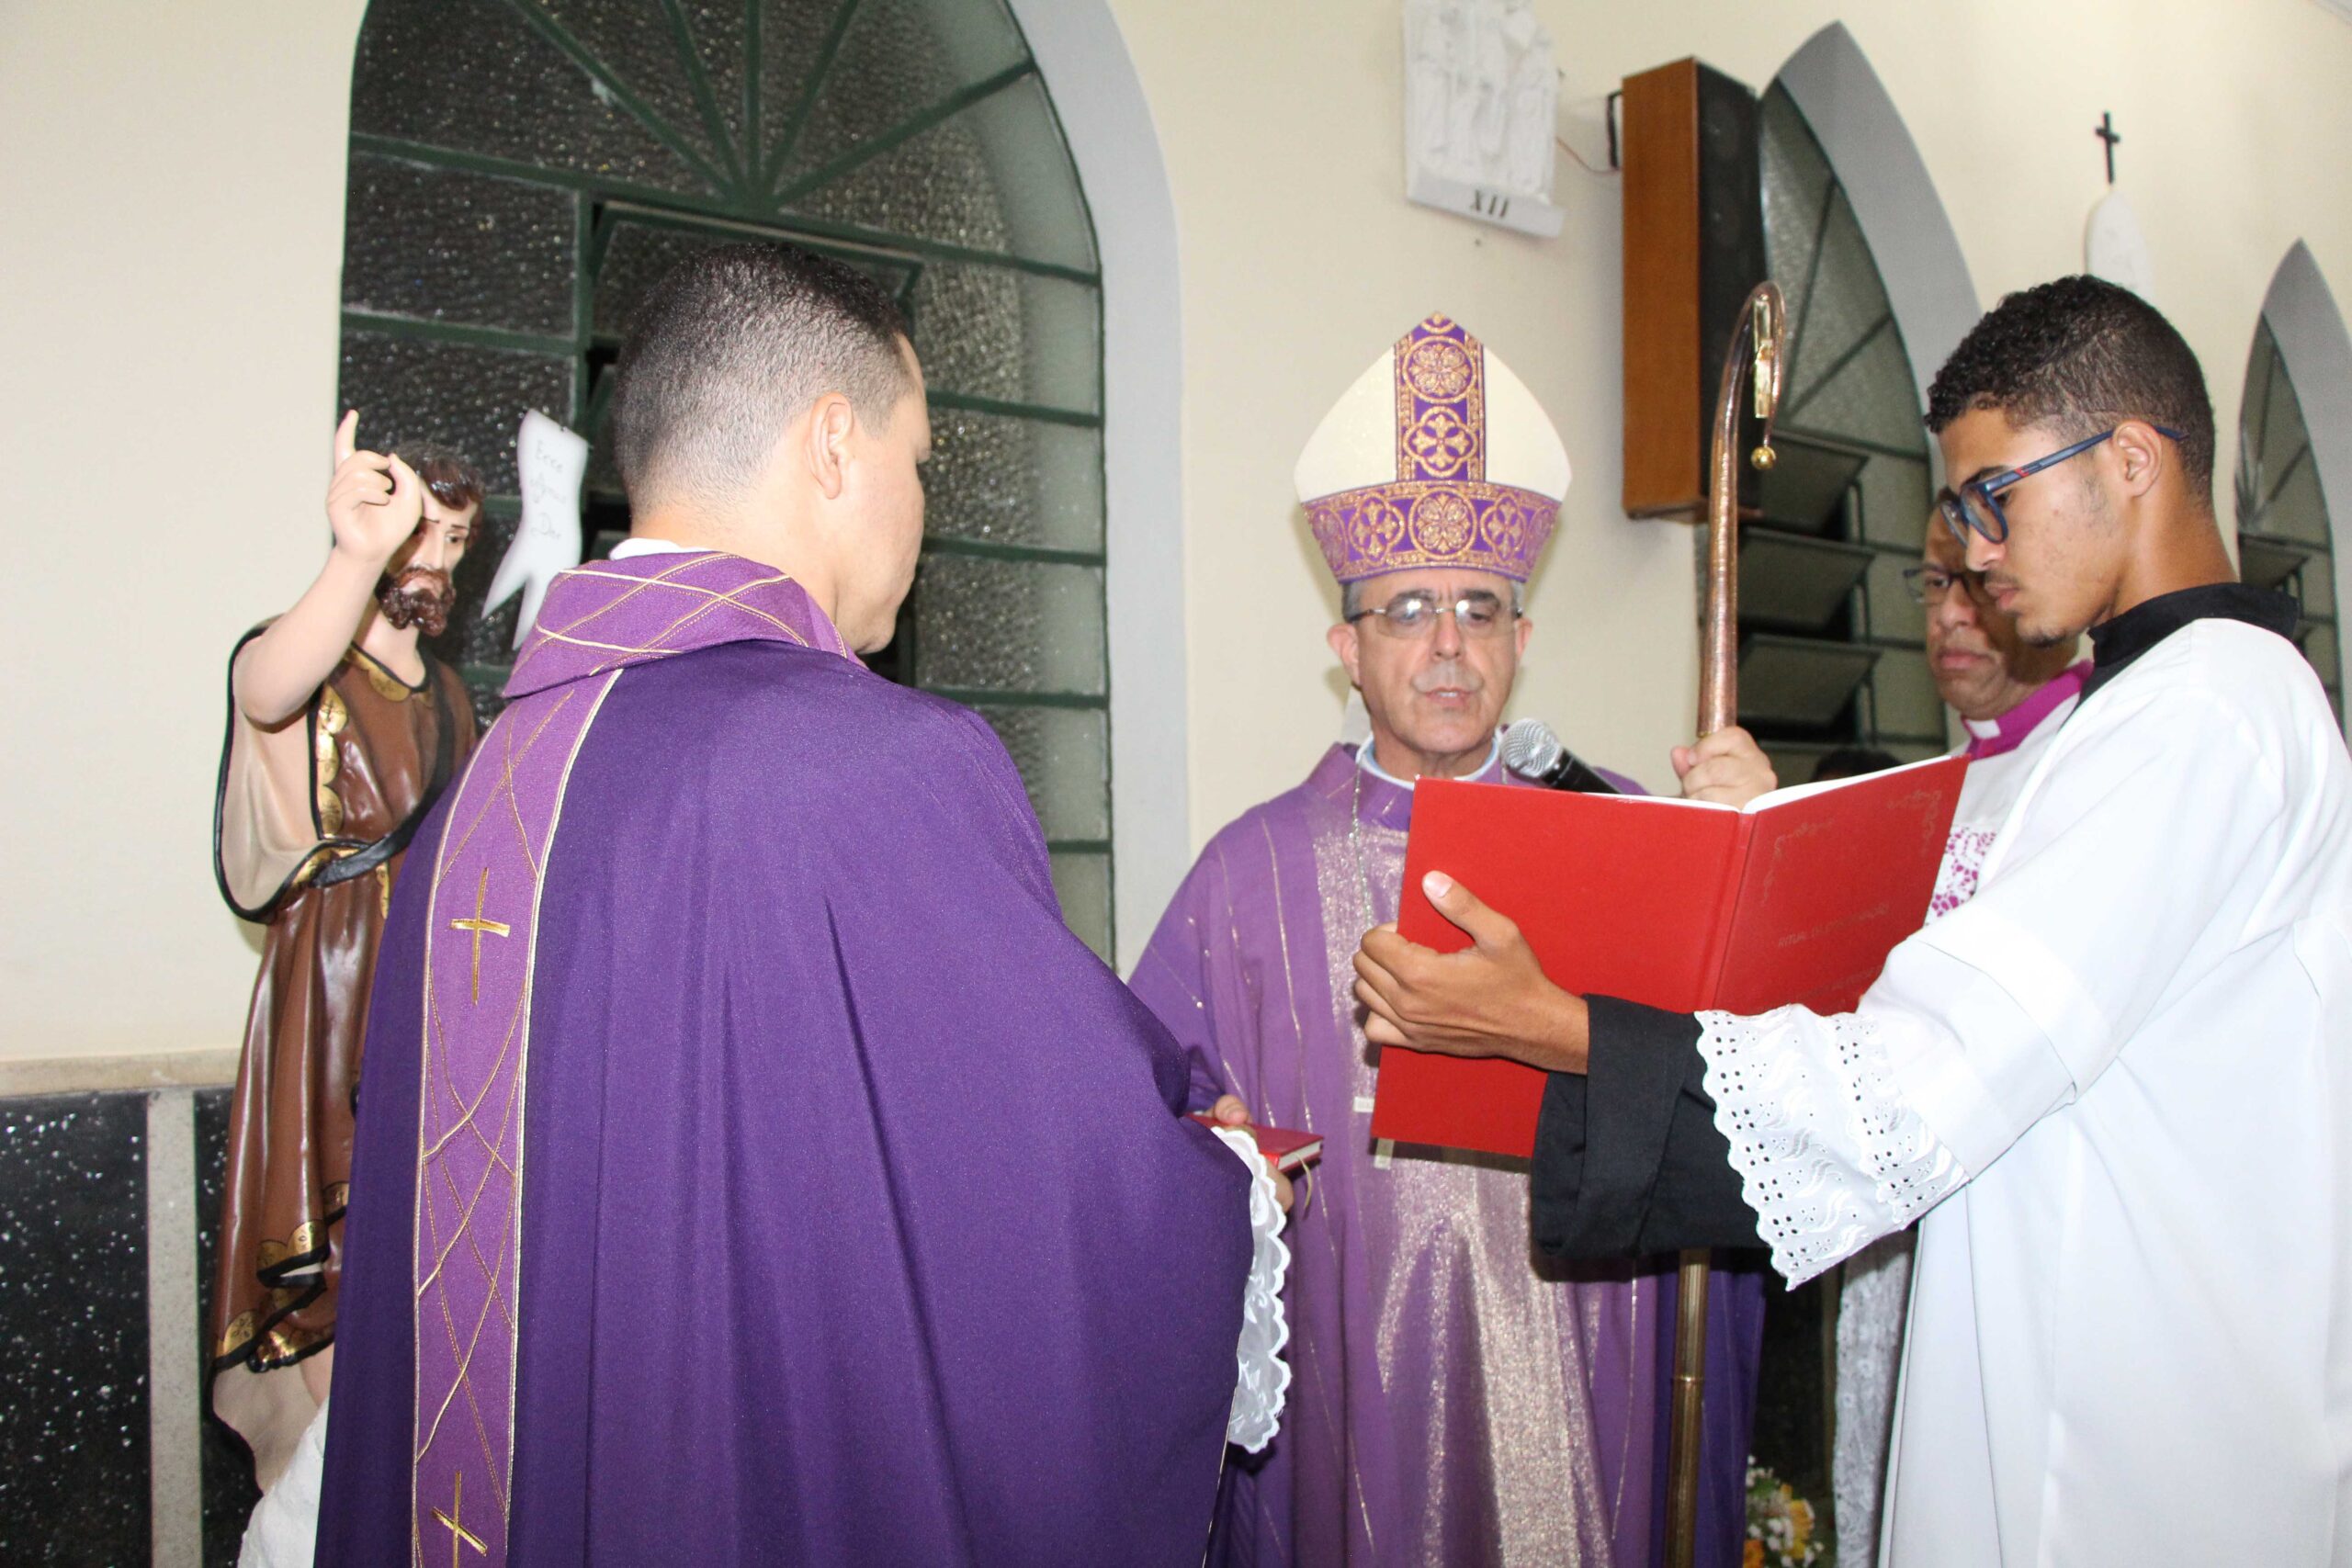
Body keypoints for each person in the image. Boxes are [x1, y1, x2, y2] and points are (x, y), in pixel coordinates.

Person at [1352, 276, 2352, 1564]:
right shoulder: (2142, 716)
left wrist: (1551, 1026)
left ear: (2131, 461)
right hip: (2077, 1373)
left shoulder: (2202, 714)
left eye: (1993, 495)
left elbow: (1918, 1079)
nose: (1973, 550)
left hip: (2129, 1435)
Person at [315, 243, 1283, 1566]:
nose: (923, 509)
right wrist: (1226, 1178)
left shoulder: (472, 800)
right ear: (834, 444)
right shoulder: (873, 765)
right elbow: (1049, 1207)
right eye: (919, 462)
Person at [1132, 312, 1778, 1567]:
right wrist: (1221, 1151)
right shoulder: (1247, 874)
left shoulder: (1631, 833)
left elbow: (1758, 1086)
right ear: (1347, 650)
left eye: (1479, 609)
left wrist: (1745, 859)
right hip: (1357, 1370)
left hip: (1589, 1340)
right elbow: (1155, 1125)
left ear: (1521, 643)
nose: (1446, 643)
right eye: (1408, 610)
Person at [209, 412, 480, 1491]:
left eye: (455, 540)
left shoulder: (451, 698)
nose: (436, 561)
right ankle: (329, 1498)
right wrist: (353, 557)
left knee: (407, 1256)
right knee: (329, 1250)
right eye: (419, 532)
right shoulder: (309, 662)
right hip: (331, 993)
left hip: (421, 997)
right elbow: (265, 691)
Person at [1832, 513, 2090, 1565]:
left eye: (1973, 586)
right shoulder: (1932, 786)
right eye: (1932, 586)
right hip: (1905, 1206)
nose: (1949, 615)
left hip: (2027, 1212)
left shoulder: (2093, 760)